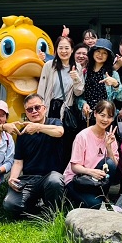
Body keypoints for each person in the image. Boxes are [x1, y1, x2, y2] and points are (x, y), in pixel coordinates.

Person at [3, 94, 65, 218]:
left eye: (37, 107)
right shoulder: (23, 133)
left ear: (45, 108)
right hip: (28, 179)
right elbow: (18, 161)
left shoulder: (54, 122)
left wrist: (38, 127)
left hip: (49, 177)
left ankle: (53, 214)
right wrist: (13, 178)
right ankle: (37, 210)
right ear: (26, 112)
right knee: (9, 204)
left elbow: (59, 132)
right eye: (30, 109)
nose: (34, 111)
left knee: (55, 180)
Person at [37, 36, 84, 168]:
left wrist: (76, 79)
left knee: (65, 143)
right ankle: (48, 171)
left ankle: (63, 173)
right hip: (50, 108)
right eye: (60, 48)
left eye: (67, 48)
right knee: (49, 141)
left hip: (66, 109)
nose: (64, 51)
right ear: (56, 50)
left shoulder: (77, 67)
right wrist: (40, 109)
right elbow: (42, 88)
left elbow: (79, 92)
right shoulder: (48, 66)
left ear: (72, 50)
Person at [64, 100, 119, 209]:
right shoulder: (82, 136)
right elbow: (75, 167)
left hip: (95, 181)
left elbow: (114, 166)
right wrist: (91, 172)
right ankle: (72, 197)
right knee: (95, 205)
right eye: (102, 115)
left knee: (110, 164)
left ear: (112, 119)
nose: (105, 120)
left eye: (109, 116)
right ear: (95, 114)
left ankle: (99, 196)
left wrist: (108, 147)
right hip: (78, 179)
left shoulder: (111, 137)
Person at [77, 39, 122, 123]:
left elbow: (121, 98)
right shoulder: (85, 72)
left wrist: (115, 84)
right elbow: (79, 96)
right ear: (93, 53)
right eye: (98, 51)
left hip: (105, 119)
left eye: (104, 53)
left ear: (108, 56)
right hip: (88, 117)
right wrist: (83, 104)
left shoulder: (112, 74)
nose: (100, 55)